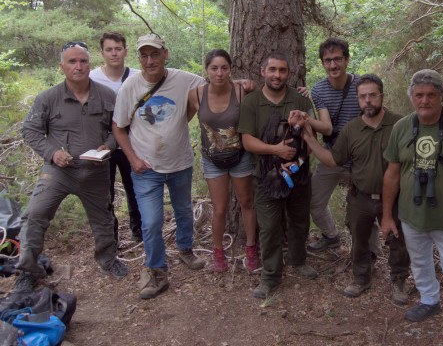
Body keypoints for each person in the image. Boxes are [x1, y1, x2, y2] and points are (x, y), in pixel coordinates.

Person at [15, 42, 129, 291]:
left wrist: (108, 145)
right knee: (34, 215)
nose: (78, 66)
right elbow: (30, 130)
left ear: (90, 63)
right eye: (72, 62)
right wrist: (52, 152)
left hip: (95, 171)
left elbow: (119, 128)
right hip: (58, 172)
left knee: (103, 219)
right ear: (62, 67)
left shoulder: (108, 95)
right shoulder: (48, 98)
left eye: (83, 61)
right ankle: (28, 270)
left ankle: (108, 261)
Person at [381, 69, 443, 334]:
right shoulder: (402, 127)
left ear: (441, 96)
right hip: (411, 215)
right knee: (420, 262)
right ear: (412, 97)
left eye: (430, 95)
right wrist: (387, 216)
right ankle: (429, 300)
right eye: (419, 95)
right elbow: (392, 174)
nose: (424, 101)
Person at [302, 74, 411, 304]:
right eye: (363, 97)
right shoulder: (351, 129)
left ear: (382, 96)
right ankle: (361, 278)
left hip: (394, 198)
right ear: (358, 99)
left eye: (373, 95)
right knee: (359, 240)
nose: (368, 101)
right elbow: (334, 160)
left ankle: (399, 280)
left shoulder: (400, 124)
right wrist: (311, 141)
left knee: (398, 241)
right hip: (360, 197)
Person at [112, 34, 206, 299]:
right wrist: (132, 159)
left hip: (180, 163)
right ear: (138, 58)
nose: (150, 60)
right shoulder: (130, 86)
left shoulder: (184, 78)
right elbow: (118, 127)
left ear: (165, 53)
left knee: (184, 211)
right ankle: (156, 270)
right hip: (146, 168)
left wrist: (243, 84)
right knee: (151, 222)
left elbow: (215, 85)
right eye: (144, 56)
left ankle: (186, 249)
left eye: (155, 54)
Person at [238, 52, 318, 299]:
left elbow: (312, 133)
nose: (277, 75)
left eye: (282, 70)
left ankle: (298, 259)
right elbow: (247, 140)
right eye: (272, 70)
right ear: (263, 71)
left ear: (289, 74)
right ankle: (270, 275)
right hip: (266, 175)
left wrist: (297, 155)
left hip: (299, 173)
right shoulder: (251, 102)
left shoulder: (300, 99)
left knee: (299, 220)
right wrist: (276, 150)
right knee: (270, 226)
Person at [187, 49, 260, 273]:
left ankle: (251, 248)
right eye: (214, 68)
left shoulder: (240, 92)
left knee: (247, 202)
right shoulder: (196, 95)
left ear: (230, 70)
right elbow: (184, 120)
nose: (219, 73)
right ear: (206, 70)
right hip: (212, 160)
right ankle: (218, 252)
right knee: (219, 209)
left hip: (240, 157)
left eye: (224, 68)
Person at [307, 38, 381, 255]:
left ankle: (372, 254)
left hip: (360, 158)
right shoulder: (319, 90)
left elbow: (373, 118)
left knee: (366, 208)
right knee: (314, 201)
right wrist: (306, 119)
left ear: (347, 60)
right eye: (328, 61)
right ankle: (331, 236)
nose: (333, 65)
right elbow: (327, 128)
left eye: (337, 59)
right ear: (322, 64)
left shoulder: (362, 87)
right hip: (332, 155)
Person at [89, 31, 143, 244]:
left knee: (136, 190)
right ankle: (110, 237)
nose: (114, 54)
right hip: (103, 146)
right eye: (109, 50)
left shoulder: (137, 76)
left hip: (133, 144)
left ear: (126, 51)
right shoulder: (92, 78)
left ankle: (138, 231)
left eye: (118, 49)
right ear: (101, 53)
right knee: (105, 194)